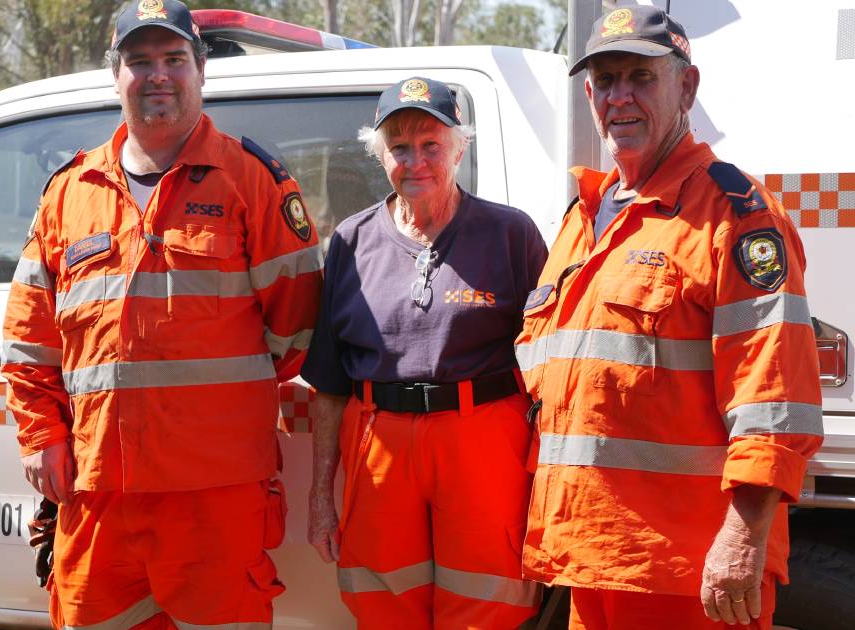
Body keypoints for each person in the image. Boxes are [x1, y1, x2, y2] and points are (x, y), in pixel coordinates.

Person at [0, 1, 322, 627]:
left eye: (175, 59)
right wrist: (42, 436)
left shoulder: (252, 181)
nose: (158, 76)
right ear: (114, 74)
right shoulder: (71, 192)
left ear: (201, 69)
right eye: (139, 61)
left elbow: (295, 334)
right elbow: (29, 341)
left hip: (214, 496)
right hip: (98, 494)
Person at [514, 6, 824, 629]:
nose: (619, 97)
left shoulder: (736, 216)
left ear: (687, 86)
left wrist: (742, 540)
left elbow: (773, 400)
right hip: (590, 558)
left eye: (640, 77)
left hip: (688, 571)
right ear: (589, 94)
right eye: (605, 81)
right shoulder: (587, 217)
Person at [303, 77, 548, 629]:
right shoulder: (350, 240)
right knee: (383, 605)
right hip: (379, 446)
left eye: (431, 145)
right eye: (399, 147)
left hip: (482, 436)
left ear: (460, 147)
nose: (415, 160)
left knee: (488, 604)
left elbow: (552, 371)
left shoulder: (512, 234)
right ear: (380, 155)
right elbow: (329, 383)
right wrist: (321, 495)